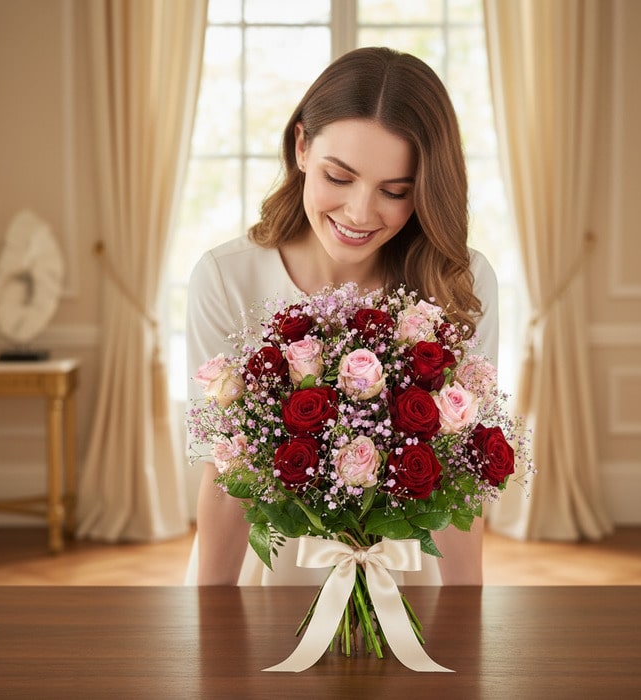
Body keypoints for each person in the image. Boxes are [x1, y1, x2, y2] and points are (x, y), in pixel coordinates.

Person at [185, 47, 498, 586]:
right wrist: (209, 628)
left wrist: (466, 619)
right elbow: (226, 477)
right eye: (339, 177)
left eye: (395, 192)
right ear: (302, 146)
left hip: (408, 582)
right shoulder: (225, 278)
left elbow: (459, 481)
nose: (359, 213)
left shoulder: (460, 281)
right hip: (272, 579)